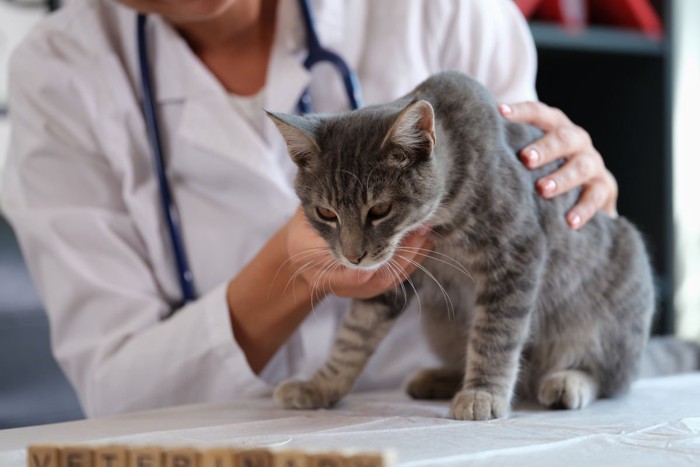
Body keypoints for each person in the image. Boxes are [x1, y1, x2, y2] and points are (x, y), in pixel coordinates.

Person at [1, 0, 618, 417]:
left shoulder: (444, 8)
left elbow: (525, 242)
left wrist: (577, 190)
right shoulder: (58, 70)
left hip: (432, 420)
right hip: (216, 434)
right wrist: (290, 266)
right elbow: (117, 394)